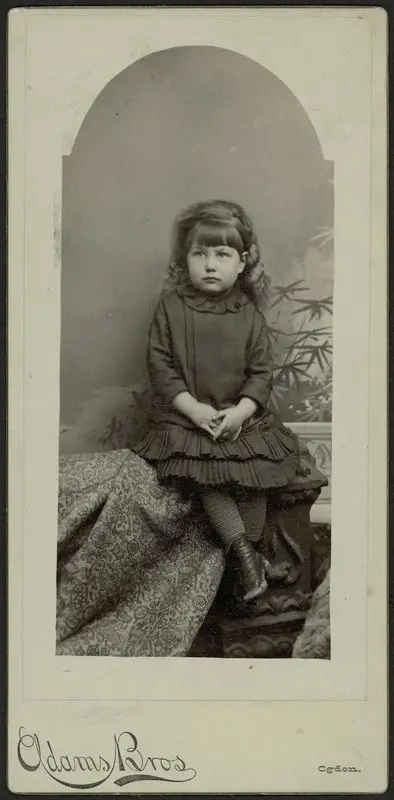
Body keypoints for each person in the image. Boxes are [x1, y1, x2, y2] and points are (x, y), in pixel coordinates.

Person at [133, 200, 301, 602]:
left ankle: (253, 554)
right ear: (184, 260)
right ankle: (243, 553)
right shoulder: (171, 308)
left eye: (222, 254)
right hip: (187, 418)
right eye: (200, 253)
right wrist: (193, 409)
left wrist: (242, 411)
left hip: (239, 417)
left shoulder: (250, 314)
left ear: (242, 263)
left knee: (255, 475)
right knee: (208, 473)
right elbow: (160, 366)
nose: (210, 264)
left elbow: (261, 372)